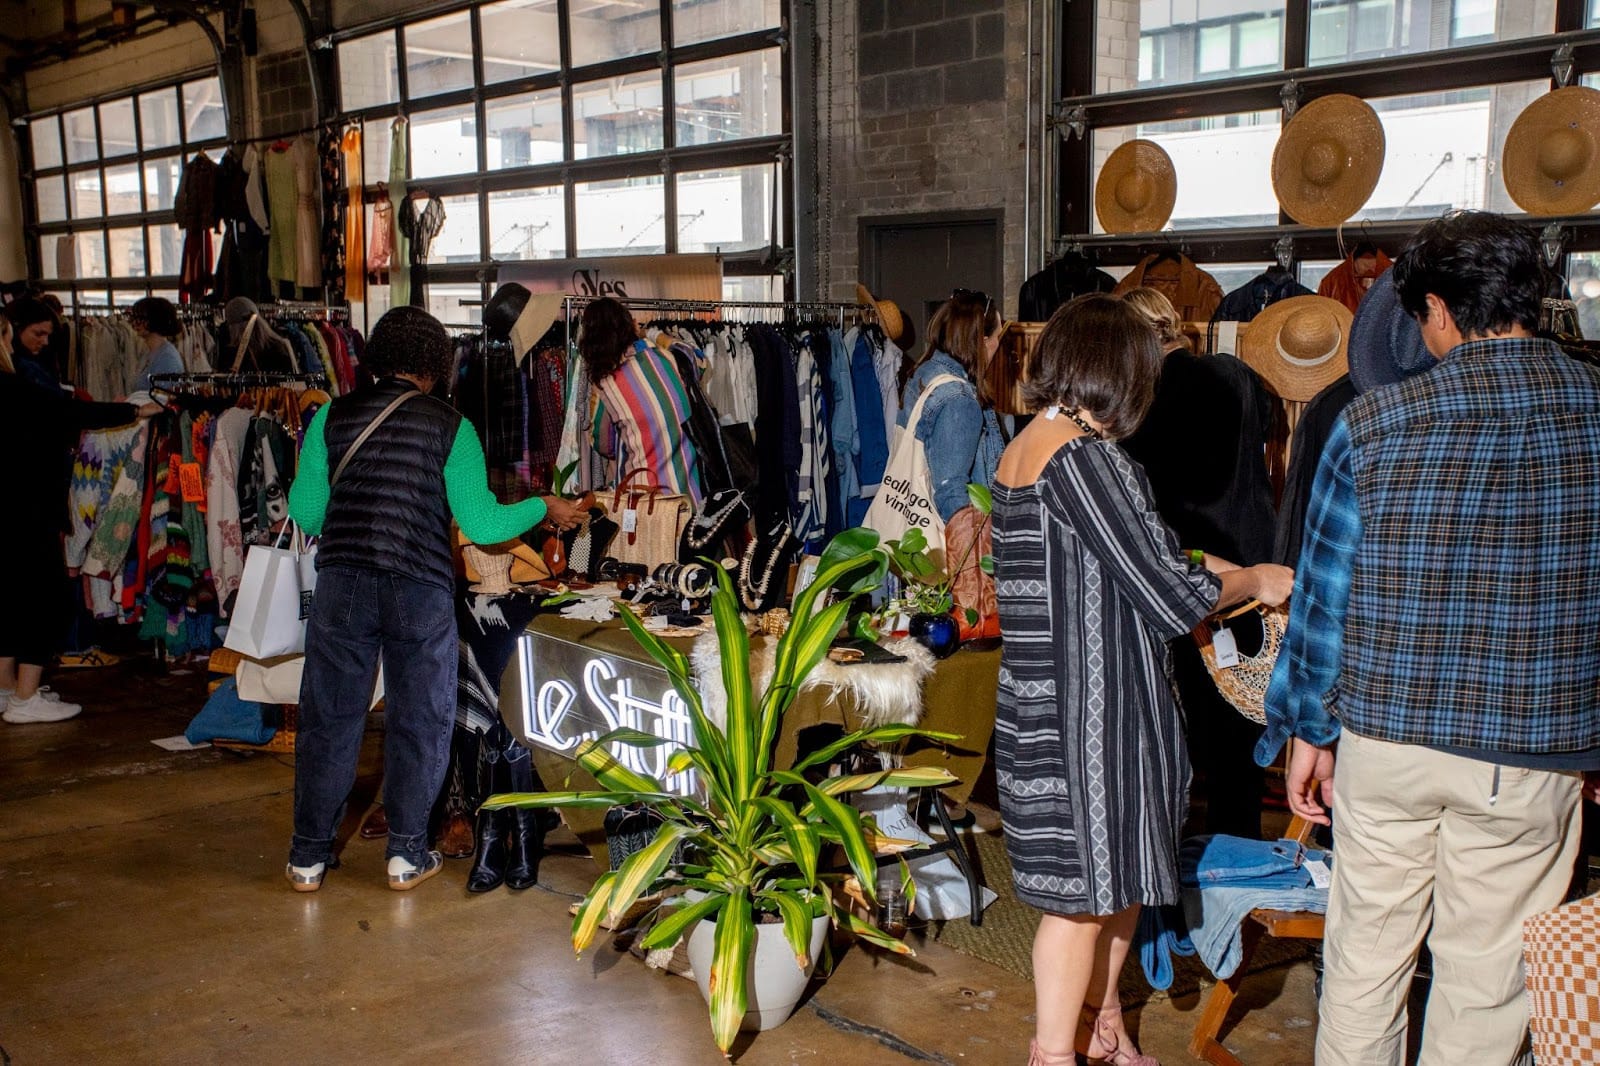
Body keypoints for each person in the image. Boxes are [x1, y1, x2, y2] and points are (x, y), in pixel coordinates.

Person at [1260, 211, 1600, 1066]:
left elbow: (1325, 598)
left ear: (1439, 310)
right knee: (1486, 986)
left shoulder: (1373, 422)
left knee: (1364, 965)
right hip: (1533, 747)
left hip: (1386, 737)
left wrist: (1308, 730)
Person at [992, 293, 1293, 1066]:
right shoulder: (1086, 460)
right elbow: (1168, 596)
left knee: (1117, 882)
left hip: (1060, 706)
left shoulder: (1032, 445)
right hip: (1095, 718)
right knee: (1084, 901)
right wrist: (1254, 578)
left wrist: (1202, 564)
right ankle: (1053, 1054)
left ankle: (1105, 1029)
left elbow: (1124, 559)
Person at [284, 307, 581, 893]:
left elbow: (307, 513)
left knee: (329, 718)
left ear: (377, 356)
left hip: (343, 582)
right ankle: (406, 855)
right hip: (417, 586)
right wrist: (542, 505)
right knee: (419, 718)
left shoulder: (331, 418)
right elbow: (483, 523)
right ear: (435, 364)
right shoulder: (451, 426)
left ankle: (308, 858)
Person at [1119, 287, 1279, 838]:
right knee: (1244, 723)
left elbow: (1146, 511)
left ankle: (1187, 858)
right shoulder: (1237, 374)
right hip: (1254, 566)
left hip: (1195, 574)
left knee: (1185, 730)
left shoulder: (1141, 403)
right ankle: (1243, 853)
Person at [0, 303, 160, 724]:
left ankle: (6, 688)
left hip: (11, 510)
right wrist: (135, 411)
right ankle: (25, 698)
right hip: (28, 508)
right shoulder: (15, 387)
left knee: (11, 598)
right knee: (44, 598)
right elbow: (69, 412)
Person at [579, 296, 703, 504]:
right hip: (688, 490)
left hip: (644, 499)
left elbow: (603, 444)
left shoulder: (605, 385)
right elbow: (697, 357)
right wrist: (651, 333)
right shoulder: (666, 357)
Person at [898, 288, 1005, 523]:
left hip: (913, 519)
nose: (999, 344)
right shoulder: (960, 400)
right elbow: (951, 494)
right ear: (983, 342)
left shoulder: (925, 373)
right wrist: (973, 543)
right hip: (949, 535)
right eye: (998, 336)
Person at [127, 296, 187, 392]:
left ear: (154, 320)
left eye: (140, 319)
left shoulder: (167, 358)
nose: (134, 324)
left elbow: (165, 397)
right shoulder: (150, 353)